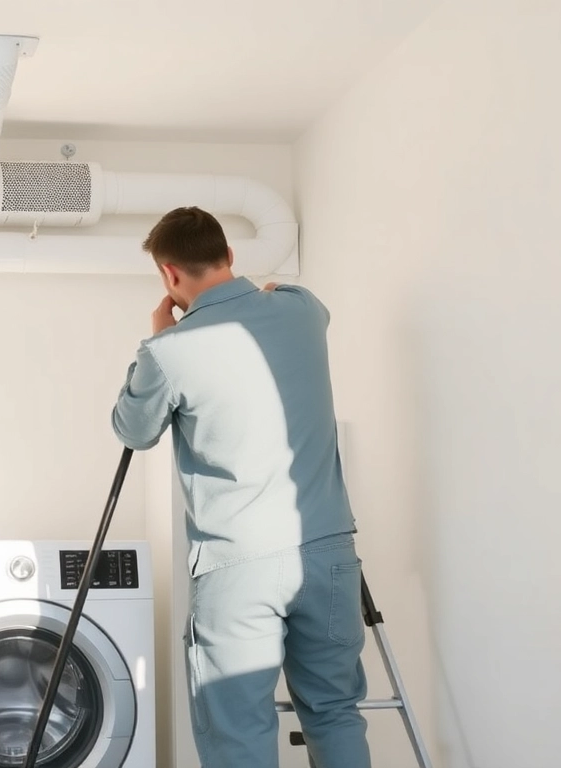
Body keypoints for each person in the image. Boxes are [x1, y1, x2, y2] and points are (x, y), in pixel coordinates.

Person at [111, 207, 370, 768]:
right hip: (328, 554)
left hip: (239, 568)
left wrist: (157, 339)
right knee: (334, 711)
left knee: (240, 735)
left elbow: (133, 430)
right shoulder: (301, 310)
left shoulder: (169, 352)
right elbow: (296, 302)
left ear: (169, 276)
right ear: (229, 256)